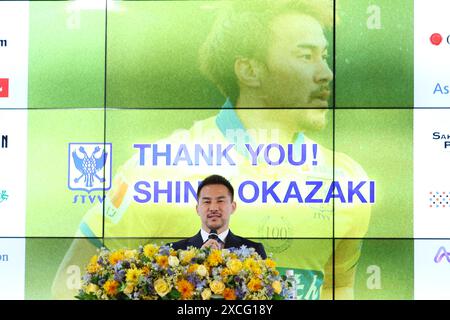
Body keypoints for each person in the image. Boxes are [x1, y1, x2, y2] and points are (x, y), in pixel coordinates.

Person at [52, 0, 371, 300]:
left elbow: (338, 288)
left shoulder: (345, 180)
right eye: (306, 56)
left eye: (324, 56)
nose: (326, 73)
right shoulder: (160, 168)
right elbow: (71, 282)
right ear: (249, 70)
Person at [170, 174, 267, 259]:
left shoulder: (254, 251)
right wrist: (198, 258)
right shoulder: (174, 252)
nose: (213, 208)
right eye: (207, 201)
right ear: (197, 209)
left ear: (233, 207)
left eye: (220, 201)